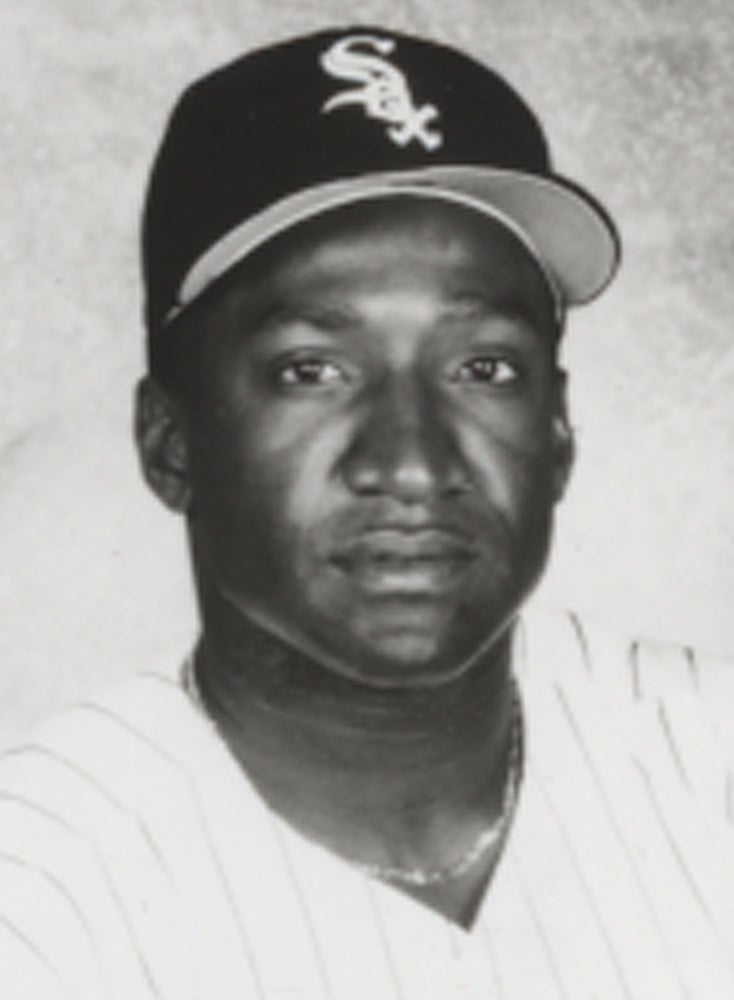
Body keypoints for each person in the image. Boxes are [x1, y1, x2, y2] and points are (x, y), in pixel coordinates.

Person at [0, 25, 732, 1000]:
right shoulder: (42, 890)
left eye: (482, 367)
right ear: (170, 442)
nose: (412, 462)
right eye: (313, 370)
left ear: (556, 430)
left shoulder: (705, 753)